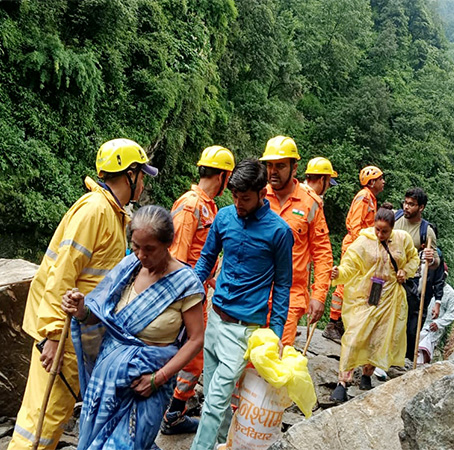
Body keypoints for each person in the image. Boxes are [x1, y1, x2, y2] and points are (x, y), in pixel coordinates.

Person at [9, 138, 157, 450]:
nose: (143, 182)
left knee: (54, 413)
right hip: (60, 333)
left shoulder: (115, 215)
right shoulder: (94, 212)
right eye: (142, 175)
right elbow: (61, 273)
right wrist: (50, 334)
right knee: (42, 417)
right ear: (130, 174)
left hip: (77, 330)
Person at [61, 205, 205, 450]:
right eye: (136, 246)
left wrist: (157, 379)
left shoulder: (185, 284)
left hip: (148, 385)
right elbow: (103, 316)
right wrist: (81, 310)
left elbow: (195, 340)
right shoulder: (128, 268)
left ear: (168, 243)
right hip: (108, 380)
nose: (141, 255)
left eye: (149, 249)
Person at [190, 159, 294, 450]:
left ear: (262, 193)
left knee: (214, 401)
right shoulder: (224, 218)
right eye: (234, 196)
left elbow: (283, 284)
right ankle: (223, 444)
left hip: (243, 330)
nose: (238, 203)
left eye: (245, 198)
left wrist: (275, 333)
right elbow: (206, 260)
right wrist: (191, 292)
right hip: (215, 317)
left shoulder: (279, 232)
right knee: (214, 397)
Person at [161, 145, 235, 435]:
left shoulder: (207, 205)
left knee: (195, 354)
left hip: (197, 290)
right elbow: (178, 257)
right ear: (223, 176)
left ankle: (175, 409)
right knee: (191, 352)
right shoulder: (192, 206)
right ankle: (171, 413)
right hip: (186, 295)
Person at [329, 205, 419, 403]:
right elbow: (350, 265)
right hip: (365, 295)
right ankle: (342, 382)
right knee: (354, 335)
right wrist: (339, 274)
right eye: (377, 229)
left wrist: (405, 271)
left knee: (380, 338)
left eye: (385, 231)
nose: (380, 234)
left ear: (393, 228)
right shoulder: (364, 241)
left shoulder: (403, 239)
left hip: (390, 298)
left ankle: (367, 374)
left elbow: (413, 258)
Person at [260, 136, 333, 346]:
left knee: (276, 358)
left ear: (294, 168)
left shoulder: (311, 203)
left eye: (280, 166)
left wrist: (319, 295)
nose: (273, 171)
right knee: (248, 360)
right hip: (256, 291)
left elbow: (322, 252)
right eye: (270, 165)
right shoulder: (258, 197)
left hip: (289, 296)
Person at [323, 165, 385, 342]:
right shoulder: (364, 197)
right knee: (344, 283)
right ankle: (333, 323)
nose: (383, 182)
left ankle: (341, 322)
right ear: (372, 182)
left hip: (360, 247)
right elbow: (355, 225)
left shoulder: (370, 198)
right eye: (380, 179)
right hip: (354, 247)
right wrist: (361, 246)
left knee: (354, 285)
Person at [393, 187, 440, 360]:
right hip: (388, 275)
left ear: (421, 207)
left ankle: (402, 359)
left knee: (407, 322)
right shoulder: (395, 217)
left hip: (410, 279)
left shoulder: (426, 231)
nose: (406, 207)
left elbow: (436, 263)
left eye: (411, 204)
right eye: (405, 203)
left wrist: (431, 258)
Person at [417, 265, 454, 365]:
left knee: (425, 346)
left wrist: (438, 323)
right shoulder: (424, 287)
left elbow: (451, 314)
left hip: (435, 327)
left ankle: (424, 366)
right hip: (420, 322)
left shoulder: (450, 293)